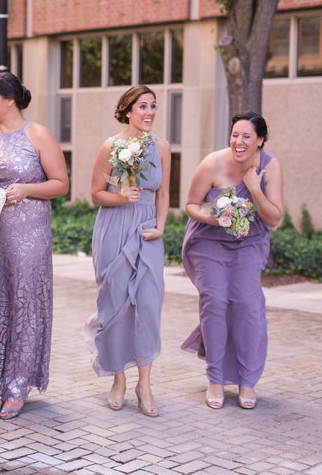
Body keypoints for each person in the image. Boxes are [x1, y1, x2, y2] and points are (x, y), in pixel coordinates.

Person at [0, 72, 69, 419]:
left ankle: (17, 385)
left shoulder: (36, 134)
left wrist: (26, 190)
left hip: (28, 232)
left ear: (9, 100)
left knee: (23, 303)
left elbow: (61, 183)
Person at [181, 112, 284, 410]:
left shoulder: (271, 167)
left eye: (246, 136)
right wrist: (213, 218)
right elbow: (190, 204)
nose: (239, 142)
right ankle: (215, 379)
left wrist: (254, 188)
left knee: (248, 306)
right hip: (210, 241)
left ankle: (247, 381)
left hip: (249, 243)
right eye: (235, 135)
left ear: (260, 140)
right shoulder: (212, 162)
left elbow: (275, 218)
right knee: (214, 301)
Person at [84, 85, 171, 417]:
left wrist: (161, 227)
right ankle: (118, 378)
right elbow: (95, 193)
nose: (149, 112)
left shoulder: (161, 146)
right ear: (128, 110)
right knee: (115, 305)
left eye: (153, 106)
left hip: (146, 229)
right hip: (114, 229)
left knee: (148, 305)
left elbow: (163, 193)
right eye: (143, 106)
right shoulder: (111, 145)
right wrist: (121, 197)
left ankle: (144, 384)